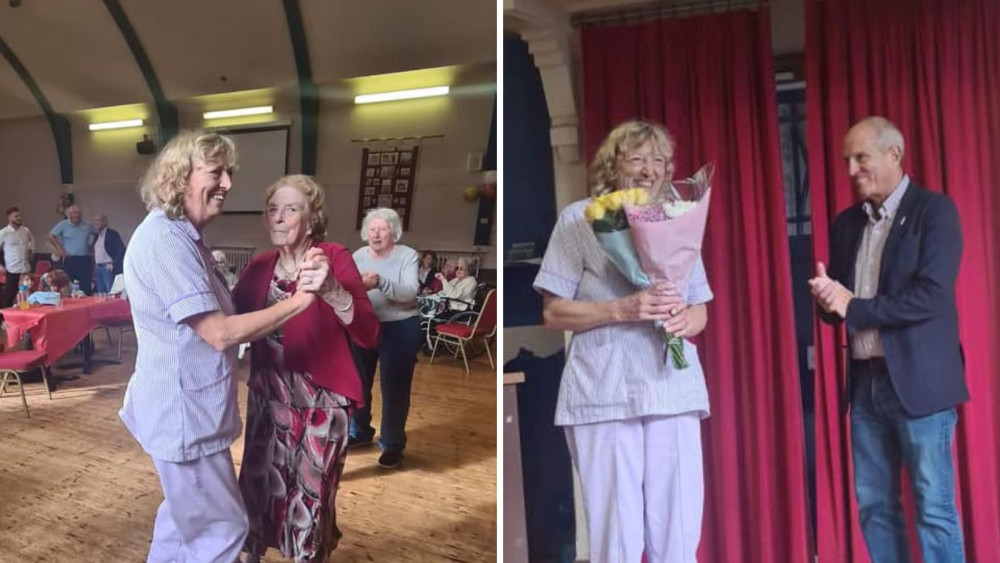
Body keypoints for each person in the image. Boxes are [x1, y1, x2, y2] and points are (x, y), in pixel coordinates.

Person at [119, 130, 332, 563]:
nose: (228, 183)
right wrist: (301, 301)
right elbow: (220, 332)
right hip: (183, 417)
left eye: (228, 172)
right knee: (222, 532)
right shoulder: (164, 240)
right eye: (215, 172)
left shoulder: (183, 237)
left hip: (187, 410)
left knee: (182, 526)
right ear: (180, 178)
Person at [533, 119, 713, 563]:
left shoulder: (678, 218)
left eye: (658, 161)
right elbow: (554, 313)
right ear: (612, 167)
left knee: (678, 535)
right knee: (617, 541)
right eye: (636, 159)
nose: (649, 170)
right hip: (604, 393)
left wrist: (682, 320)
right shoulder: (579, 219)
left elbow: (701, 310)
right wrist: (623, 309)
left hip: (672, 387)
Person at [809, 116, 968, 562]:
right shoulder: (845, 225)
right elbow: (839, 305)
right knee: (875, 508)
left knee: (933, 510)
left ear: (893, 155)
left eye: (861, 157)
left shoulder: (934, 212)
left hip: (921, 385)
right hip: (864, 385)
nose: (851, 170)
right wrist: (826, 299)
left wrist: (852, 306)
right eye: (847, 160)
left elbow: (929, 299)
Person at [233, 175, 380, 562]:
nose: (278, 218)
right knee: (256, 489)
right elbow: (228, 321)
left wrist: (333, 291)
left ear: (312, 219)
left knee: (309, 498)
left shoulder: (334, 256)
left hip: (323, 402)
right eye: (272, 210)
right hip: (269, 400)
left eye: (291, 209)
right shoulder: (260, 265)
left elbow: (367, 332)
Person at [349, 207, 421, 469]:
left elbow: (410, 293)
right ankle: (359, 431)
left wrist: (380, 282)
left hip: (400, 328)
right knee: (357, 383)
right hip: (364, 325)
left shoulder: (408, 255)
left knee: (395, 389)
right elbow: (348, 288)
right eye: (371, 229)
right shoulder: (357, 256)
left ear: (394, 233)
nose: (376, 234)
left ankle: (392, 444)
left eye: (382, 229)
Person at [48, 204, 97, 295]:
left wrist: (92, 246)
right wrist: (60, 250)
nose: (77, 215)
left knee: (86, 286)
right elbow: (51, 236)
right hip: (70, 259)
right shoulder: (63, 225)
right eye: (75, 213)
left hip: (84, 259)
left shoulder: (87, 225)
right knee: (69, 286)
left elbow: (97, 233)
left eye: (79, 213)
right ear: (69, 214)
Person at [0, 207, 34, 308]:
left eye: (19, 216)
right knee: (10, 296)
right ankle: (4, 320)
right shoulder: (3, 233)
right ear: (9, 218)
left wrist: (30, 255)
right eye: (16, 216)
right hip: (12, 269)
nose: (19, 218)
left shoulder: (25, 231)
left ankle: (24, 316)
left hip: (25, 269)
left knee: (25, 296)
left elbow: (31, 245)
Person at [91, 213, 126, 294]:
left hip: (107, 268)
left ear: (104, 222)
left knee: (110, 292)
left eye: (98, 220)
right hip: (98, 268)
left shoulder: (112, 234)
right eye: (94, 221)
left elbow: (122, 249)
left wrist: (114, 263)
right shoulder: (96, 236)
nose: (95, 223)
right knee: (100, 293)